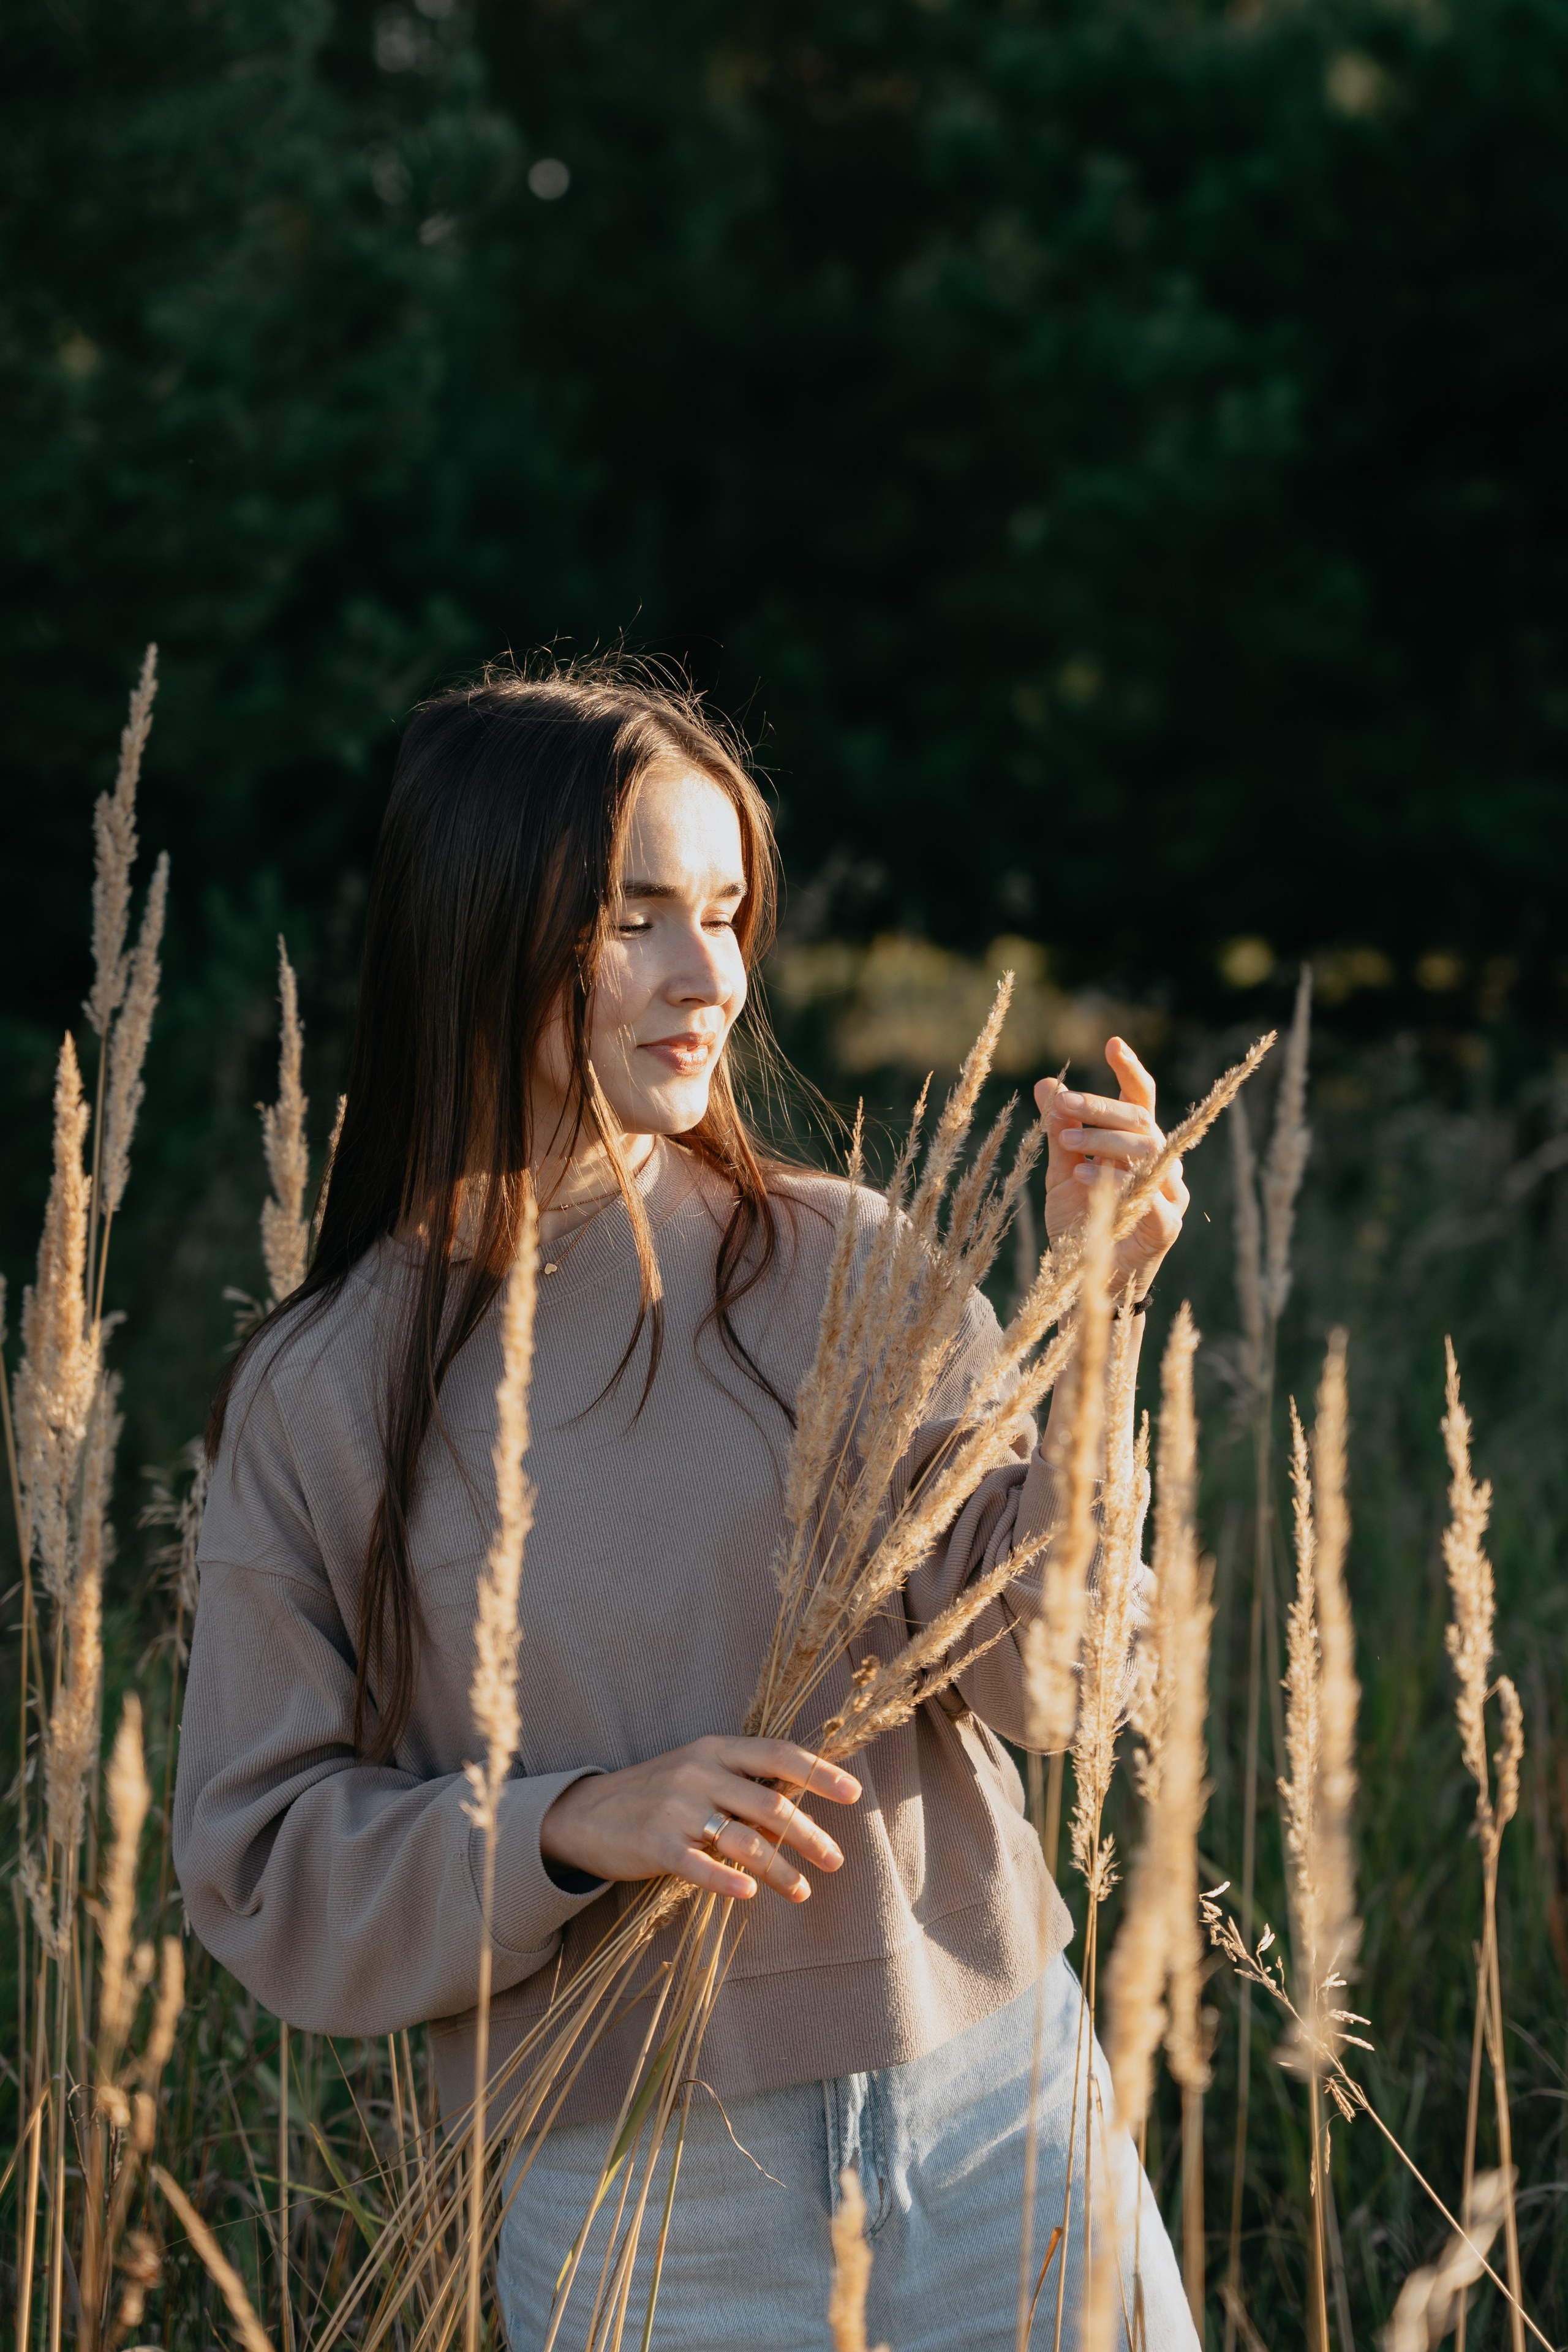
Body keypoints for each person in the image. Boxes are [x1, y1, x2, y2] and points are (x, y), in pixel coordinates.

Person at [174, 661, 1197, 2350]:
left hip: (1011, 2130)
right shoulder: (327, 1389)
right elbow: (262, 1864)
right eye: (639, 914)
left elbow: (1063, 1690)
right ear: (484, 927)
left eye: (725, 912)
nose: (710, 974)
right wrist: (576, 1823)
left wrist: (1100, 1326)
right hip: (655, 2208)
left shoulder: (846, 1265)